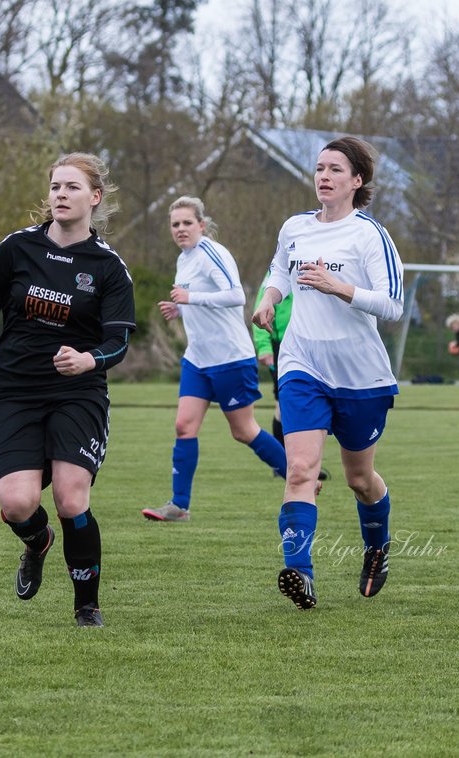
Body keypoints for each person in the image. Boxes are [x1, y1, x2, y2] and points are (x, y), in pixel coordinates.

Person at [0, 152, 135, 628]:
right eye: (55, 187)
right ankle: (37, 542)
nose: (61, 195)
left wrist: (89, 359)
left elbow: (119, 339)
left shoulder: (107, 267)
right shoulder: (17, 249)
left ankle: (86, 605)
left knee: (71, 497)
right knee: (18, 503)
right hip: (14, 391)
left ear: (95, 197)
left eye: (71, 187)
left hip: (78, 394)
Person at [252, 136, 404, 610]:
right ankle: (300, 573)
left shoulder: (370, 235)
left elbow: (393, 304)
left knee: (360, 479)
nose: (324, 176)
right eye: (319, 168)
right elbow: (280, 269)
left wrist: (342, 288)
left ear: (357, 181)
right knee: (299, 469)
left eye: (335, 169)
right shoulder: (295, 227)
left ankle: (377, 546)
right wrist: (269, 298)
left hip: (360, 376)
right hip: (302, 363)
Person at [140, 196, 291, 523]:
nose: (180, 229)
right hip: (198, 358)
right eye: (175, 224)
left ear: (201, 225)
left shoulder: (212, 252)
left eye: (186, 223)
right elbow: (199, 300)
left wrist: (190, 297)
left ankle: (298, 477)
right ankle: (179, 506)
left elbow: (236, 296)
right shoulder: (184, 259)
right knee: (184, 426)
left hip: (230, 358)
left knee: (244, 430)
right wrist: (180, 308)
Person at [252, 270, 330, 486]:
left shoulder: (314, 270)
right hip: (282, 345)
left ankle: (304, 463)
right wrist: (264, 346)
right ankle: (283, 463)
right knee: (284, 404)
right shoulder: (275, 275)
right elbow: (261, 309)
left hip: (311, 343)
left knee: (313, 403)